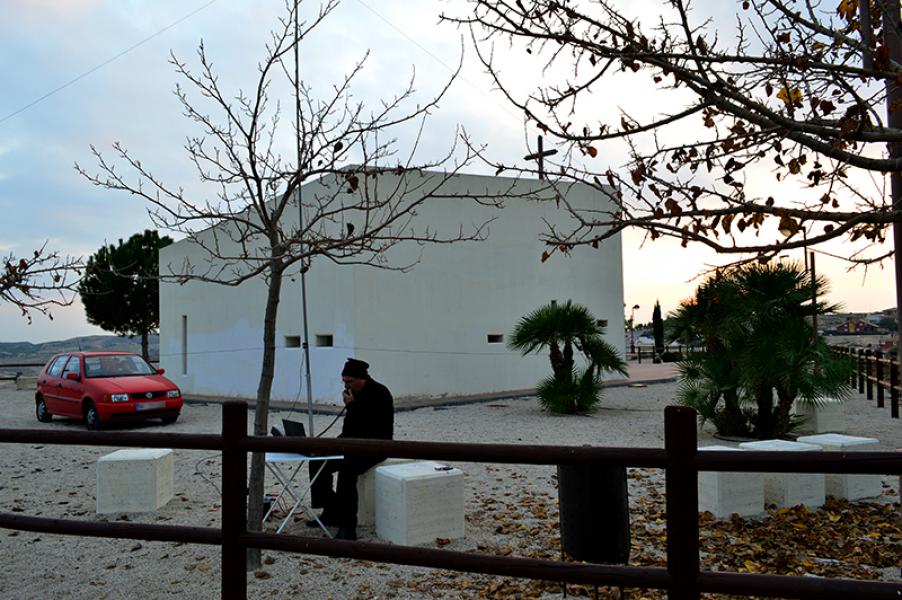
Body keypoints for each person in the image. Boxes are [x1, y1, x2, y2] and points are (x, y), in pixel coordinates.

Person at [307, 357, 393, 540]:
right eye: (344, 382)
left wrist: (353, 406)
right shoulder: (353, 394)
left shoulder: (380, 393)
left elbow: (370, 426)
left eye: (350, 381)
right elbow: (349, 428)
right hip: (350, 443)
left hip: (375, 446)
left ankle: (348, 526)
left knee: (347, 470)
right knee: (317, 461)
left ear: (362, 379)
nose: (346, 385)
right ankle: (331, 510)